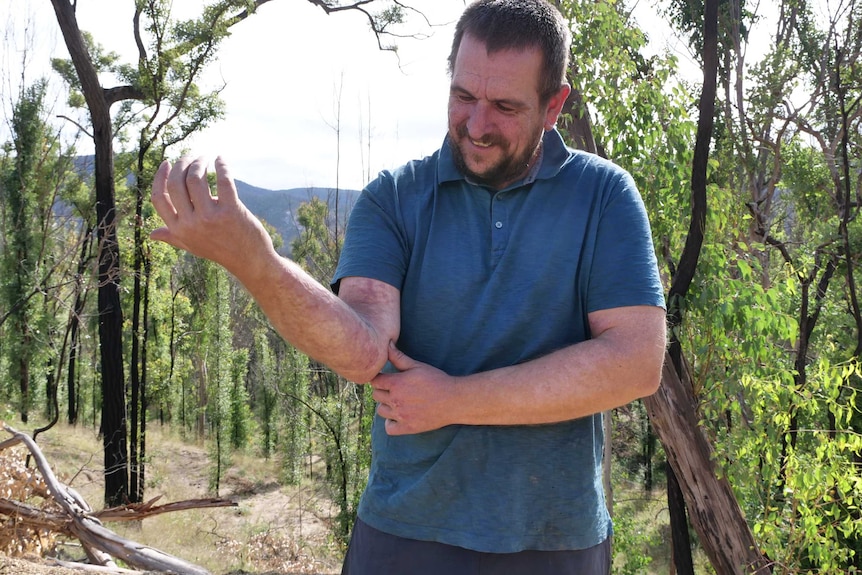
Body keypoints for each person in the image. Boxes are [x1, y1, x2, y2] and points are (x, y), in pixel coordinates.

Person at [150, 0, 667, 573]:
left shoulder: (604, 197)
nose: (476, 124)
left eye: (503, 106)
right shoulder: (394, 197)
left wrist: (454, 400)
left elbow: (637, 362)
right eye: (463, 96)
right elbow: (364, 350)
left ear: (554, 105)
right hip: (404, 530)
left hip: (554, 537)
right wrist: (257, 265)